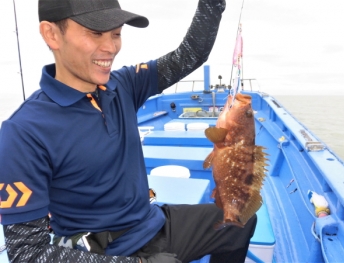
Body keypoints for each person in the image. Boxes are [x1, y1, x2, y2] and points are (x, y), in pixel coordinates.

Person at [0, 0, 257, 262]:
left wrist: (212, 4)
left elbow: (191, 54)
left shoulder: (122, 84)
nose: (111, 47)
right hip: (105, 252)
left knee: (241, 222)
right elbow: (27, 253)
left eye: (116, 33)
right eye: (95, 33)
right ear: (52, 34)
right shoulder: (23, 133)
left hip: (152, 222)